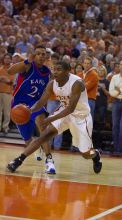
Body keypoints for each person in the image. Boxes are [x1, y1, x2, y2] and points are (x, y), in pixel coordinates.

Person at [7, 61, 102, 174]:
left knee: (85, 153)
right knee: (44, 136)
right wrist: (30, 110)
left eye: (59, 69)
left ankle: (95, 155)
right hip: (63, 112)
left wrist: (49, 119)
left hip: (81, 117)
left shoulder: (77, 83)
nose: (55, 72)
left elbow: (71, 109)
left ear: (67, 71)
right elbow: (42, 101)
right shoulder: (52, 84)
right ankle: (18, 160)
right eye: (54, 69)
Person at [7, 45, 56, 174]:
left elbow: (51, 89)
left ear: (46, 57)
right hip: (19, 106)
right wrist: (26, 61)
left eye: (43, 54)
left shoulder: (48, 72)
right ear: (34, 55)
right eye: (38, 53)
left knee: (42, 127)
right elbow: (10, 71)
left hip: (35, 105)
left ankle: (49, 161)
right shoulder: (28, 66)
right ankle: (36, 147)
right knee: (27, 140)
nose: (41, 56)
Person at [109, 60, 122, 155]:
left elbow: (116, 90)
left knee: (121, 127)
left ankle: (120, 149)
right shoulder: (114, 77)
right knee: (115, 126)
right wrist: (120, 92)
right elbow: (111, 91)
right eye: (120, 64)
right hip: (116, 102)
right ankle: (116, 149)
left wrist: (119, 89)